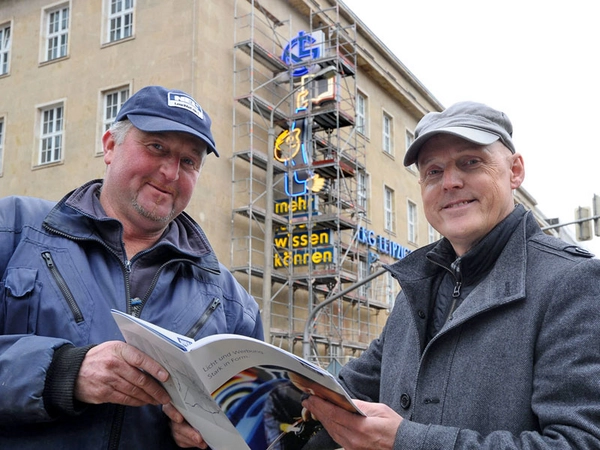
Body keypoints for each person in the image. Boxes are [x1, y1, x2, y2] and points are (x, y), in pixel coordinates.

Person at [302, 101, 600, 449]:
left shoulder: (572, 282)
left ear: (515, 171)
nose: (450, 182)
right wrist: (267, 397)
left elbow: (579, 442)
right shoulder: (415, 291)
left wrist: (406, 442)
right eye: (433, 171)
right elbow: (347, 392)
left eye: (470, 163)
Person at [0, 85, 263, 449]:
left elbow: (254, 427)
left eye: (189, 161)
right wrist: (63, 372)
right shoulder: (13, 229)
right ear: (110, 146)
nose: (171, 172)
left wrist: (212, 437)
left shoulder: (233, 303)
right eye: (157, 147)